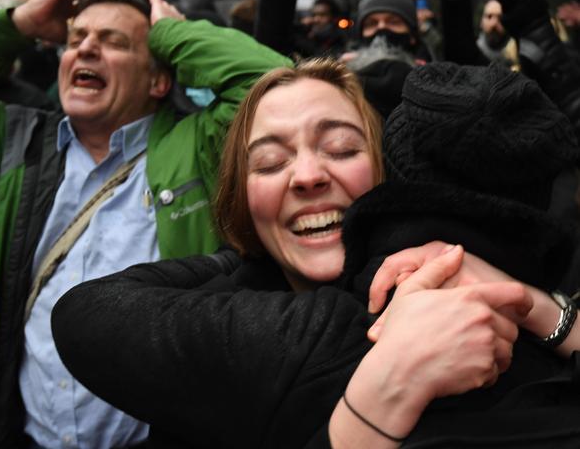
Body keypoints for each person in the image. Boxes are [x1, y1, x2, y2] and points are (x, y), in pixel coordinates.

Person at [52, 58, 580, 447]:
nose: (306, 176)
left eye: (342, 150)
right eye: (269, 162)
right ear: (241, 195)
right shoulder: (230, 309)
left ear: (386, 167)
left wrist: (528, 302)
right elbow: (86, 309)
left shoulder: (468, 308)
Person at [0, 0, 289, 448]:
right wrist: (19, 24)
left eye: (114, 41)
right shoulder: (17, 148)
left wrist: (174, 32)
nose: (86, 48)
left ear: (159, 81)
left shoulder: (199, 146)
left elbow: (278, 90)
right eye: (76, 38)